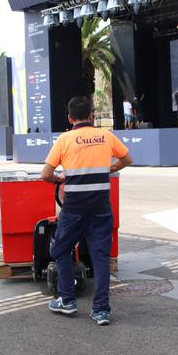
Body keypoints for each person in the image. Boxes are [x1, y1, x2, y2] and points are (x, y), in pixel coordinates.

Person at [41, 96, 133, 326]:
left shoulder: (65, 139)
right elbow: (127, 159)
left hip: (74, 209)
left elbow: (45, 174)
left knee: (60, 249)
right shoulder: (106, 136)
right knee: (100, 257)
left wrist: (58, 178)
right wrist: (108, 168)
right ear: (92, 115)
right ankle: (101, 310)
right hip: (101, 207)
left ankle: (68, 300)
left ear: (70, 118)